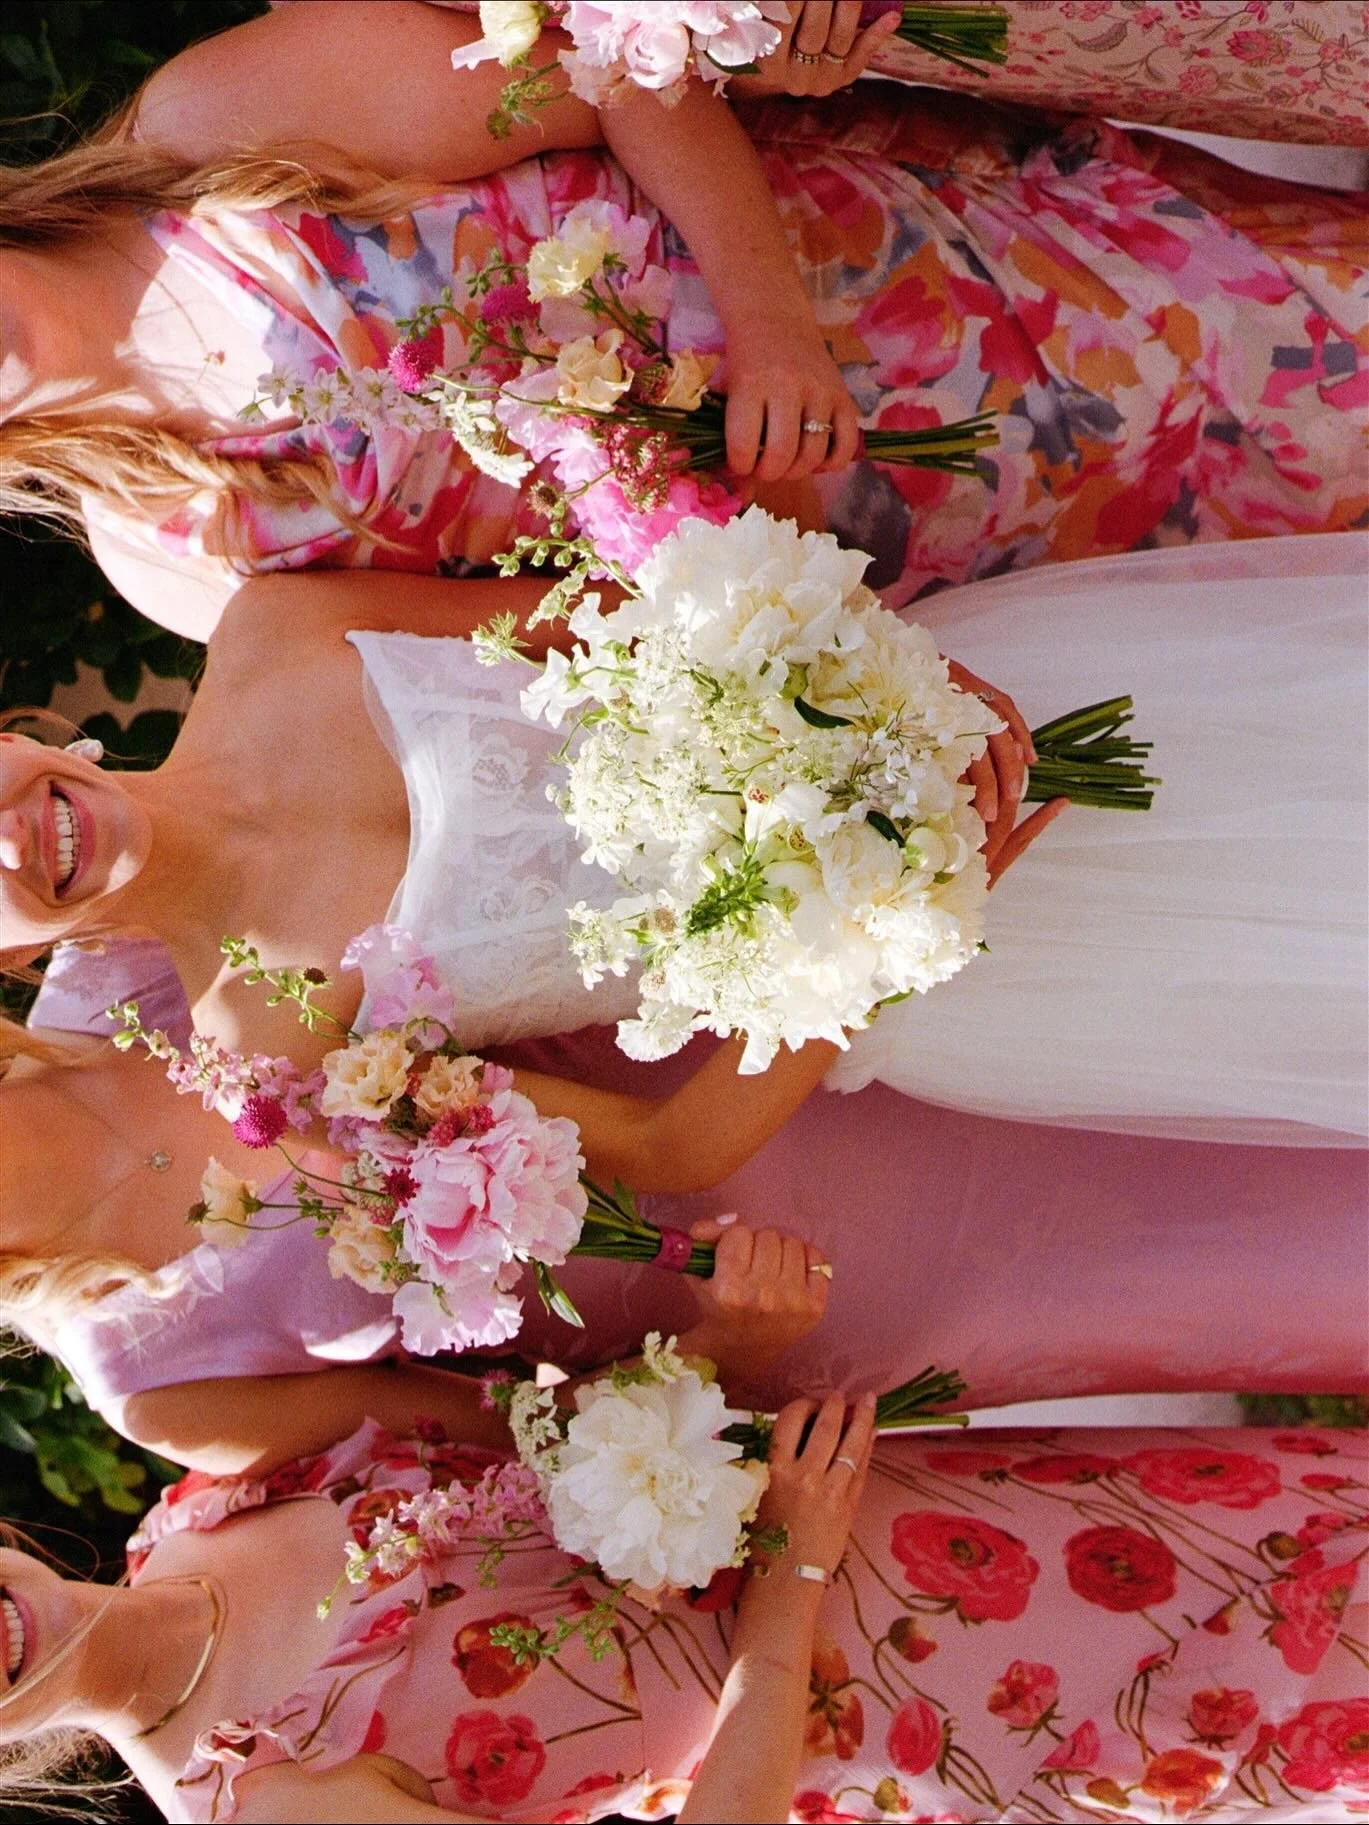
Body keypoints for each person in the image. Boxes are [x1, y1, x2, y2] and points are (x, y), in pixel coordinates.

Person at [0, 6, 1363, 639]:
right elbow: (559, 627)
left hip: (944, 272)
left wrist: (771, 328)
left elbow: (606, 77)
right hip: (931, 523)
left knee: (1322, 326)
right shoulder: (174, 562)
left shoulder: (204, 149)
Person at [0, 1308, 1364, 1821]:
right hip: (971, 1697)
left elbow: (528, 1405)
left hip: (966, 1502)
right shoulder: (267, 1808)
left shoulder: (211, 1501)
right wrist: (792, 1588)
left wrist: (708, 1356)